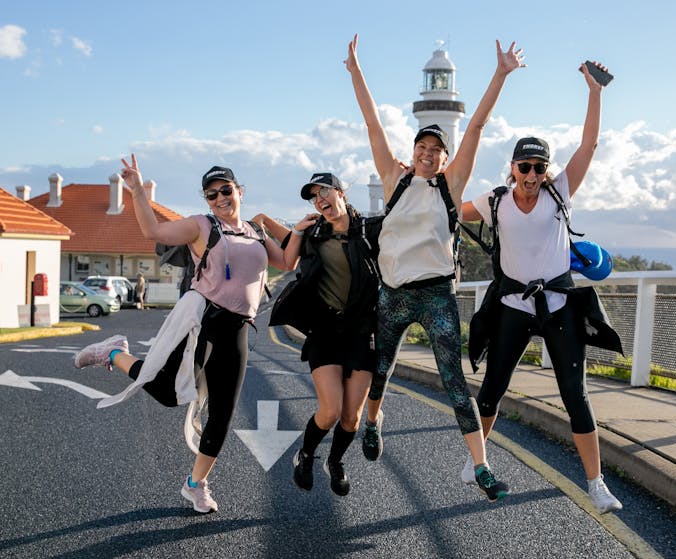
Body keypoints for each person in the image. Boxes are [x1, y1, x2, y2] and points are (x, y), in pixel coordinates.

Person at [344, 34, 524, 501]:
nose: (427, 154)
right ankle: (373, 419)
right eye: (421, 148)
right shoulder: (394, 179)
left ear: (446, 156)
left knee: (454, 381)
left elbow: (479, 125)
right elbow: (371, 124)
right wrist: (356, 72)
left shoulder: (451, 184)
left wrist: (501, 73)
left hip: (437, 294)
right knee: (381, 370)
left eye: (435, 150)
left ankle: (482, 466)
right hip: (393, 293)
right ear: (414, 149)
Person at [73, 154, 291, 514]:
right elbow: (153, 233)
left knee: (221, 416)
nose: (220, 198)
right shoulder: (201, 226)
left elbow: (289, 261)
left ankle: (196, 485)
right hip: (203, 320)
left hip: (237, 329)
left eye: (225, 190)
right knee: (165, 390)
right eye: (211, 194)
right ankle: (113, 352)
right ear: (206, 201)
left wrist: (270, 221)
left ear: (239, 191)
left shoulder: (255, 232)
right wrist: (137, 192)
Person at [460, 61, 623, 514]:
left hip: (558, 304)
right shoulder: (494, 202)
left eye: (539, 167)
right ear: (512, 168)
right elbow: (450, 205)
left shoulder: (560, 193)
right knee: (492, 388)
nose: (531, 175)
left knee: (576, 394)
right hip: (513, 304)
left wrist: (595, 91)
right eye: (524, 166)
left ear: (547, 170)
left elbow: (589, 143)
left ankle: (596, 484)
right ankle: (477, 462)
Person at [255, 173, 382, 497]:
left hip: (362, 330)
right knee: (330, 411)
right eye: (313, 197)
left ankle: (335, 461)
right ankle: (307, 454)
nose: (319, 200)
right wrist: (267, 222)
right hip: (325, 329)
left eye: (324, 191)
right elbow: (288, 247)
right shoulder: (315, 232)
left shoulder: (370, 230)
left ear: (341, 192)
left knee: (351, 418)